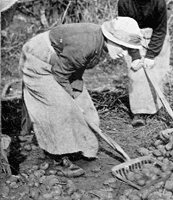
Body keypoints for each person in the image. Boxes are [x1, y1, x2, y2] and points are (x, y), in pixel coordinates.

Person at [19, 17, 142, 172]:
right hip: (40, 58)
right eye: (122, 48)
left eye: (127, 48)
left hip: (65, 62)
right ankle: (58, 158)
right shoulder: (85, 44)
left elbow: (70, 67)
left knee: (86, 108)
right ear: (110, 38)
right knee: (61, 107)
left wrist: (137, 57)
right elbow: (60, 75)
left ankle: (83, 148)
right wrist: (70, 100)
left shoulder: (103, 41)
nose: (124, 53)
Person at [118, 0, 170, 126]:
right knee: (136, 74)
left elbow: (160, 30)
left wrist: (151, 55)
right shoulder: (124, 3)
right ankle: (139, 112)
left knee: (156, 73)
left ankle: (155, 107)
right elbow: (126, 30)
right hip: (133, 37)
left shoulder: (159, 3)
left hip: (156, 36)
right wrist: (135, 56)